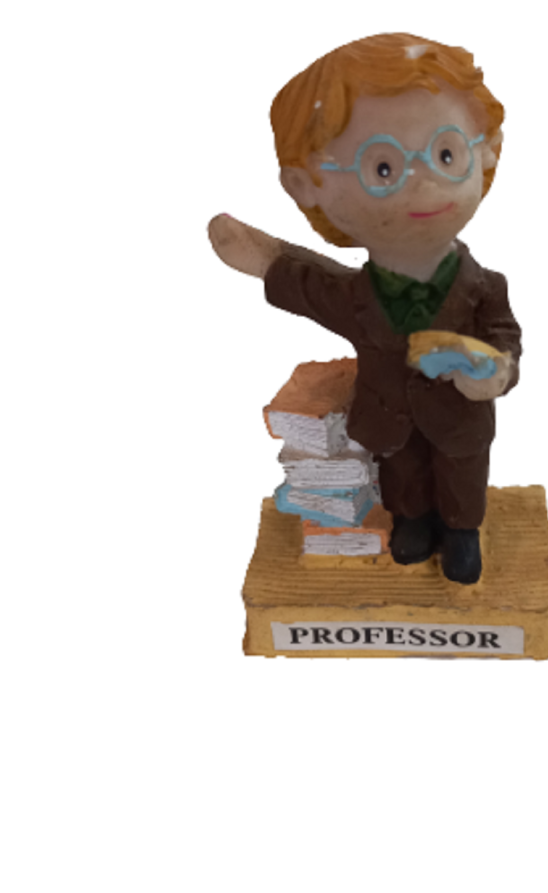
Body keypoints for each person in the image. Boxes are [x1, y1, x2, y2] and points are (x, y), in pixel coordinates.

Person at [208, 33, 521, 584]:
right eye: (382, 168)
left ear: (488, 149)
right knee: (402, 472)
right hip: (388, 418)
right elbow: (311, 287)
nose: (422, 185)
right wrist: (262, 260)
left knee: (462, 475)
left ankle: (462, 531)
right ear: (307, 187)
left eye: (447, 154)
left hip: (460, 422)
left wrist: (491, 372)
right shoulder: (356, 297)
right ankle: (412, 520)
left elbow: (505, 341)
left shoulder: (484, 287)